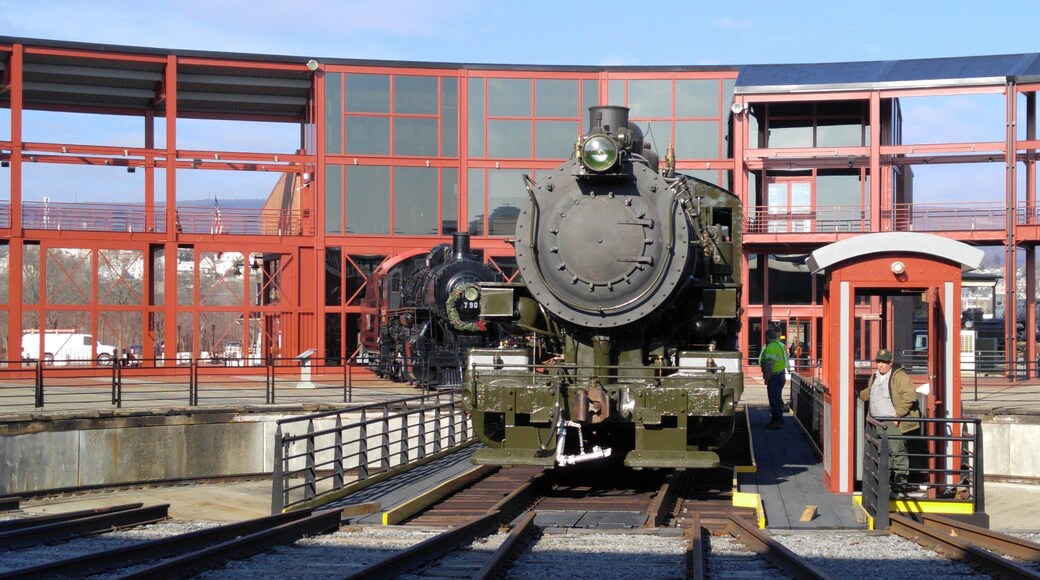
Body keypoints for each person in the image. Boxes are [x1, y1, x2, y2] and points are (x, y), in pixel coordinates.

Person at [859, 348, 921, 494]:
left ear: (890, 363)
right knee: (882, 454)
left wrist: (898, 415)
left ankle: (900, 485)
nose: (881, 365)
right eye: (879, 362)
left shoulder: (899, 377)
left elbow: (909, 396)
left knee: (897, 452)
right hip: (876, 421)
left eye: (884, 362)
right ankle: (884, 484)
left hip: (892, 422)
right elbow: (869, 392)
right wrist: (858, 394)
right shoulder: (874, 376)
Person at [758, 327, 788, 429]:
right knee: (777, 398)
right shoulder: (779, 346)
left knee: (774, 399)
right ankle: (777, 420)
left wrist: (767, 377)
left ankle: (777, 421)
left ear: (767, 337)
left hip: (774, 376)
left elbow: (768, 364)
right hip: (781, 374)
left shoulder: (770, 348)